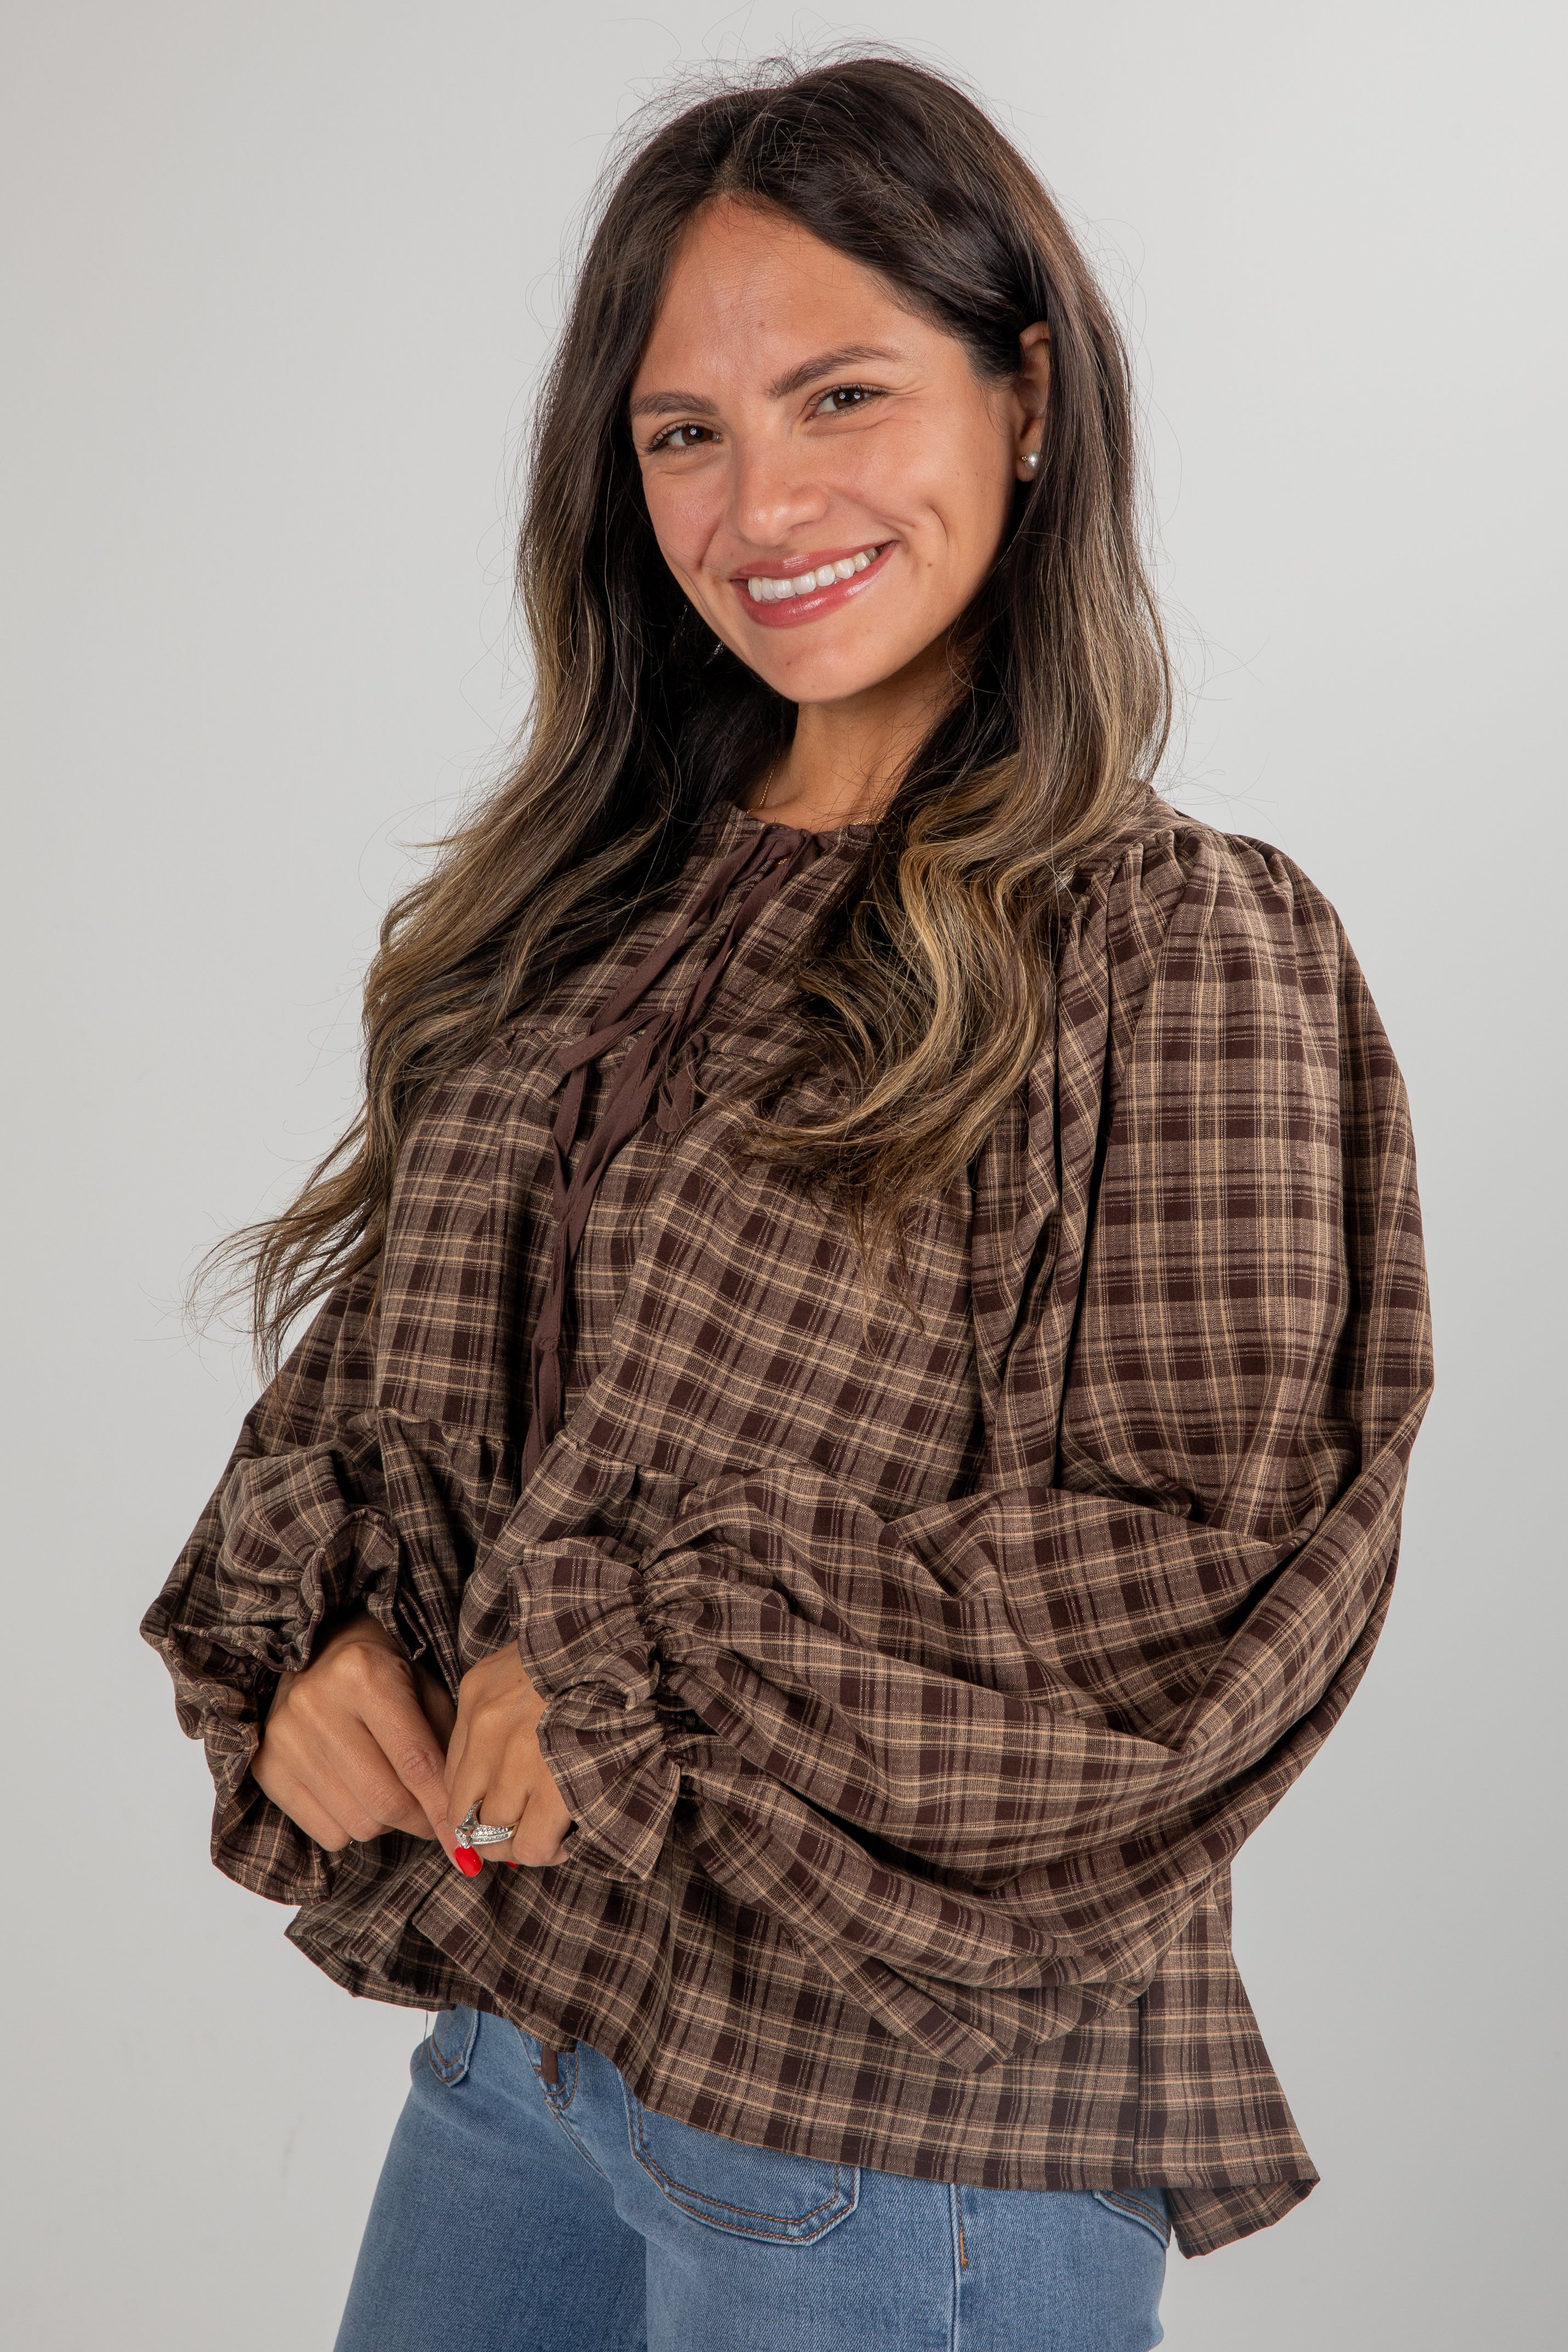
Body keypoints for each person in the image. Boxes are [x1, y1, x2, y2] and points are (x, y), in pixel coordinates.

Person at [143, 54, 1431, 2352]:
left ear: (1024, 396)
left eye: (841, 393)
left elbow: (1204, 1582)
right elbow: (375, 1410)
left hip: (908, 2124)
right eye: (684, 432)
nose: (761, 500)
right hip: (525, 2050)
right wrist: (317, 1651)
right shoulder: (586, 919)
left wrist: (641, 1678)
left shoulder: (1175, 942)